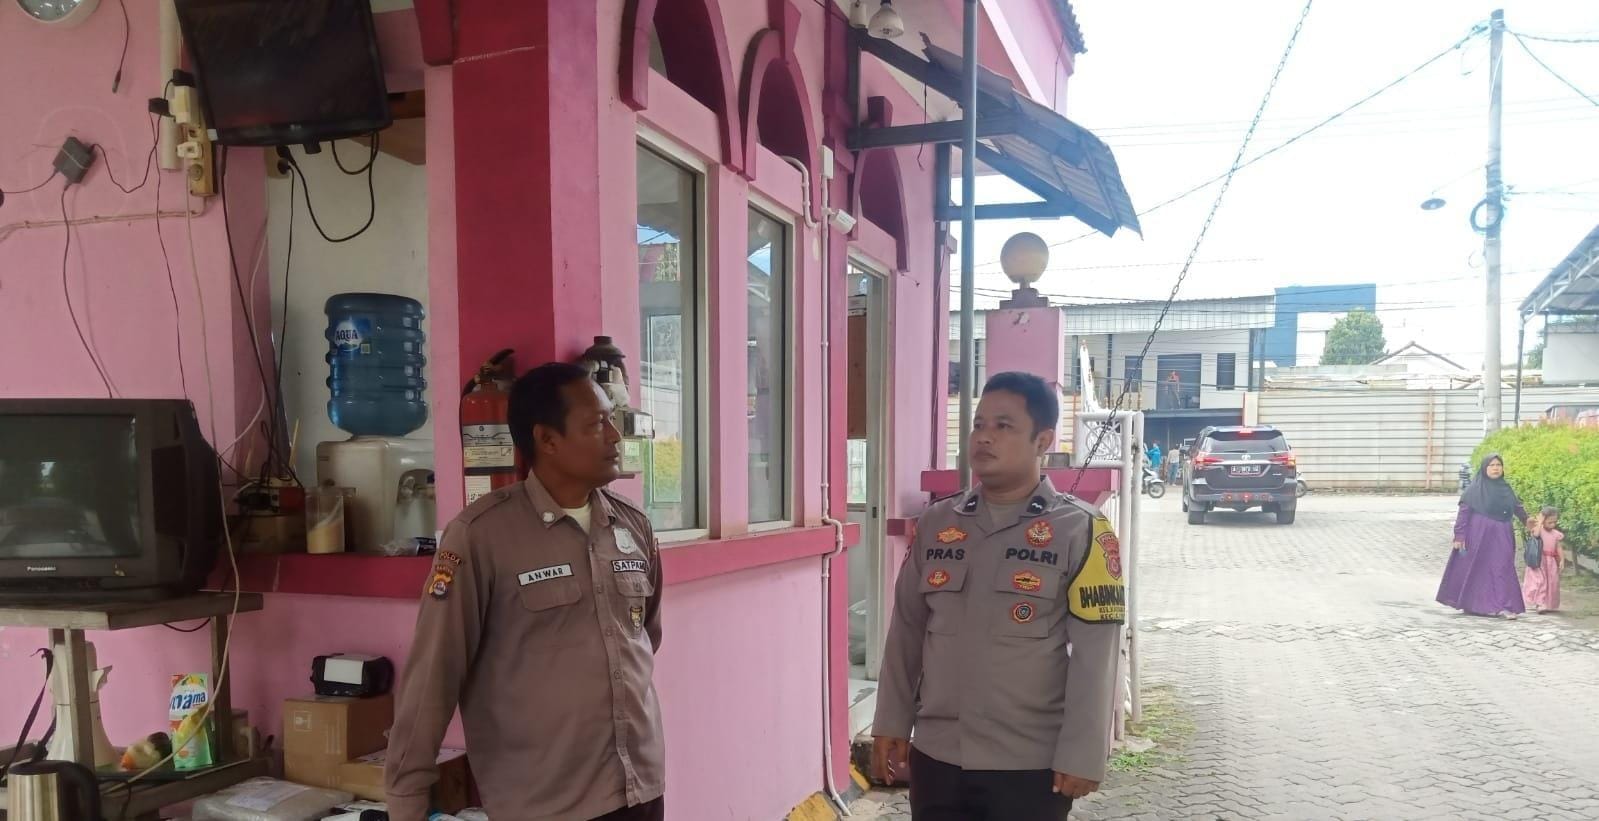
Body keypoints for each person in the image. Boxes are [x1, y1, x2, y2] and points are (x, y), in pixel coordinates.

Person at [385, 363, 665, 821]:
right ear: (548, 440)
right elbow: (434, 674)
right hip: (544, 803)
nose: (615, 436)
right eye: (597, 423)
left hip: (640, 788)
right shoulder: (480, 536)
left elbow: (646, 636)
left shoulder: (633, 525)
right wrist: (406, 800)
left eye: (612, 420)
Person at [872, 371, 1125, 821]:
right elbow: (907, 629)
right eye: (978, 424)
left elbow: (1096, 655)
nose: (984, 437)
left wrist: (1083, 753)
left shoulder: (1081, 529)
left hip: (1028, 765)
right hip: (937, 757)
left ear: (1042, 440)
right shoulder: (937, 523)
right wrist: (891, 721)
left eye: (1003, 426)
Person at [1437, 453, 1527, 619]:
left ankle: (1504, 605)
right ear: (1485, 468)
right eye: (1492, 465)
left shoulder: (1506, 488)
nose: (1495, 468)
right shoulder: (1474, 490)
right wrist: (1459, 535)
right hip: (1478, 535)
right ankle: (1477, 605)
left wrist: (1527, 520)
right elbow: (1464, 513)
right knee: (1479, 569)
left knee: (1503, 566)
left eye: (1498, 465)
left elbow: (1516, 506)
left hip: (1502, 534)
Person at [1522, 506, 1565, 613]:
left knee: (1552, 583)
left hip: (1551, 562)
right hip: (1539, 560)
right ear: (1543, 520)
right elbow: (1536, 535)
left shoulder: (1556, 534)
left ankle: (1547, 603)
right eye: (1550, 522)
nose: (1553, 524)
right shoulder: (1539, 530)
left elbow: (1558, 547)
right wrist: (1540, 522)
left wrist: (1562, 560)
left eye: (1554, 522)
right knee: (1540, 581)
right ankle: (1540, 603)